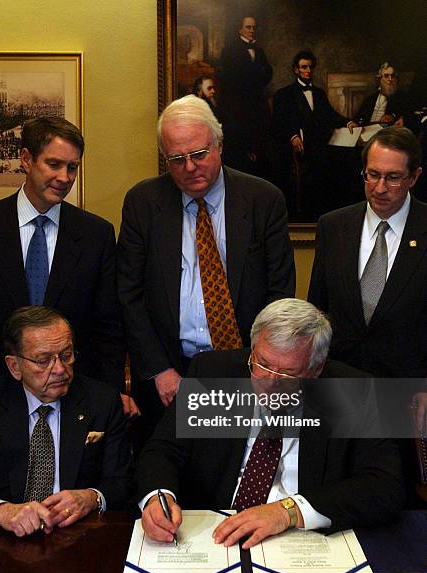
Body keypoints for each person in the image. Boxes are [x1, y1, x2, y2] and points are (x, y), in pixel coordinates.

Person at [138, 299, 404, 547]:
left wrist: (288, 511)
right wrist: (157, 497)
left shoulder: (355, 391)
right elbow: (162, 449)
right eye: (262, 364)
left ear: (316, 369)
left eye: (287, 374)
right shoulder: (211, 373)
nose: (269, 383)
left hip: (306, 538)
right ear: (253, 348)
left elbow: (385, 485)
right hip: (214, 534)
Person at [117, 95, 294, 442]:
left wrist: (259, 371)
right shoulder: (143, 202)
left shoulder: (263, 199)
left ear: (220, 146)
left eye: (199, 154)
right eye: (176, 159)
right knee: (168, 474)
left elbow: (279, 295)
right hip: (169, 372)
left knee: (233, 477)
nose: (189, 167)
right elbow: (129, 294)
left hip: (245, 370)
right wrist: (158, 370)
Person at [0, 116, 135, 414]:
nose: (64, 177)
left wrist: (108, 398)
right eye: (54, 164)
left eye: (72, 167)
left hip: (73, 399)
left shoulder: (96, 234)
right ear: (26, 159)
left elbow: (109, 328)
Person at [0, 307, 131, 537]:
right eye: (43, 361)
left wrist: (92, 497)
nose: (60, 370)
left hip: (79, 537)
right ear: (14, 366)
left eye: (66, 355)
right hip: (3, 540)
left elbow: (123, 481)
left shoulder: (101, 401)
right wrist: (2, 511)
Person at [308, 127, 426, 377]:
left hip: (406, 388)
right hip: (338, 381)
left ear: (413, 177)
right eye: (373, 175)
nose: (380, 188)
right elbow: (317, 310)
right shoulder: (333, 226)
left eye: (393, 177)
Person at [272, 50, 356, 219]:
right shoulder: (284, 94)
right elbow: (279, 122)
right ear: (296, 70)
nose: (308, 70)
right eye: (304, 67)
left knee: (342, 164)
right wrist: (293, 136)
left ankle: (327, 213)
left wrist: (347, 122)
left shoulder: (319, 93)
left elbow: (331, 115)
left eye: (310, 67)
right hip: (297, 148)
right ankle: (304, 215)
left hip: (320, 145)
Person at [218, 16, 273, 178]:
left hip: (257, 102)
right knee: (241, 145)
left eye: (254, 28)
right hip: (238, 104)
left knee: (260, 140)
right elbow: (229, 77)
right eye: (248, 27)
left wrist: (257, 78)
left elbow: (268, 72)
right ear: (240, 29)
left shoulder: (259, 49)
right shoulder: (230, 50)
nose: (252, 31)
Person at [354, 62, 408, 126]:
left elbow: (406, 114)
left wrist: (393, 116)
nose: (390, 79)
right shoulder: (370, 99)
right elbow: (357, 119)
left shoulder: (402, 97)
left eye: (393, 76)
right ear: (380, 79)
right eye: (386, 76)